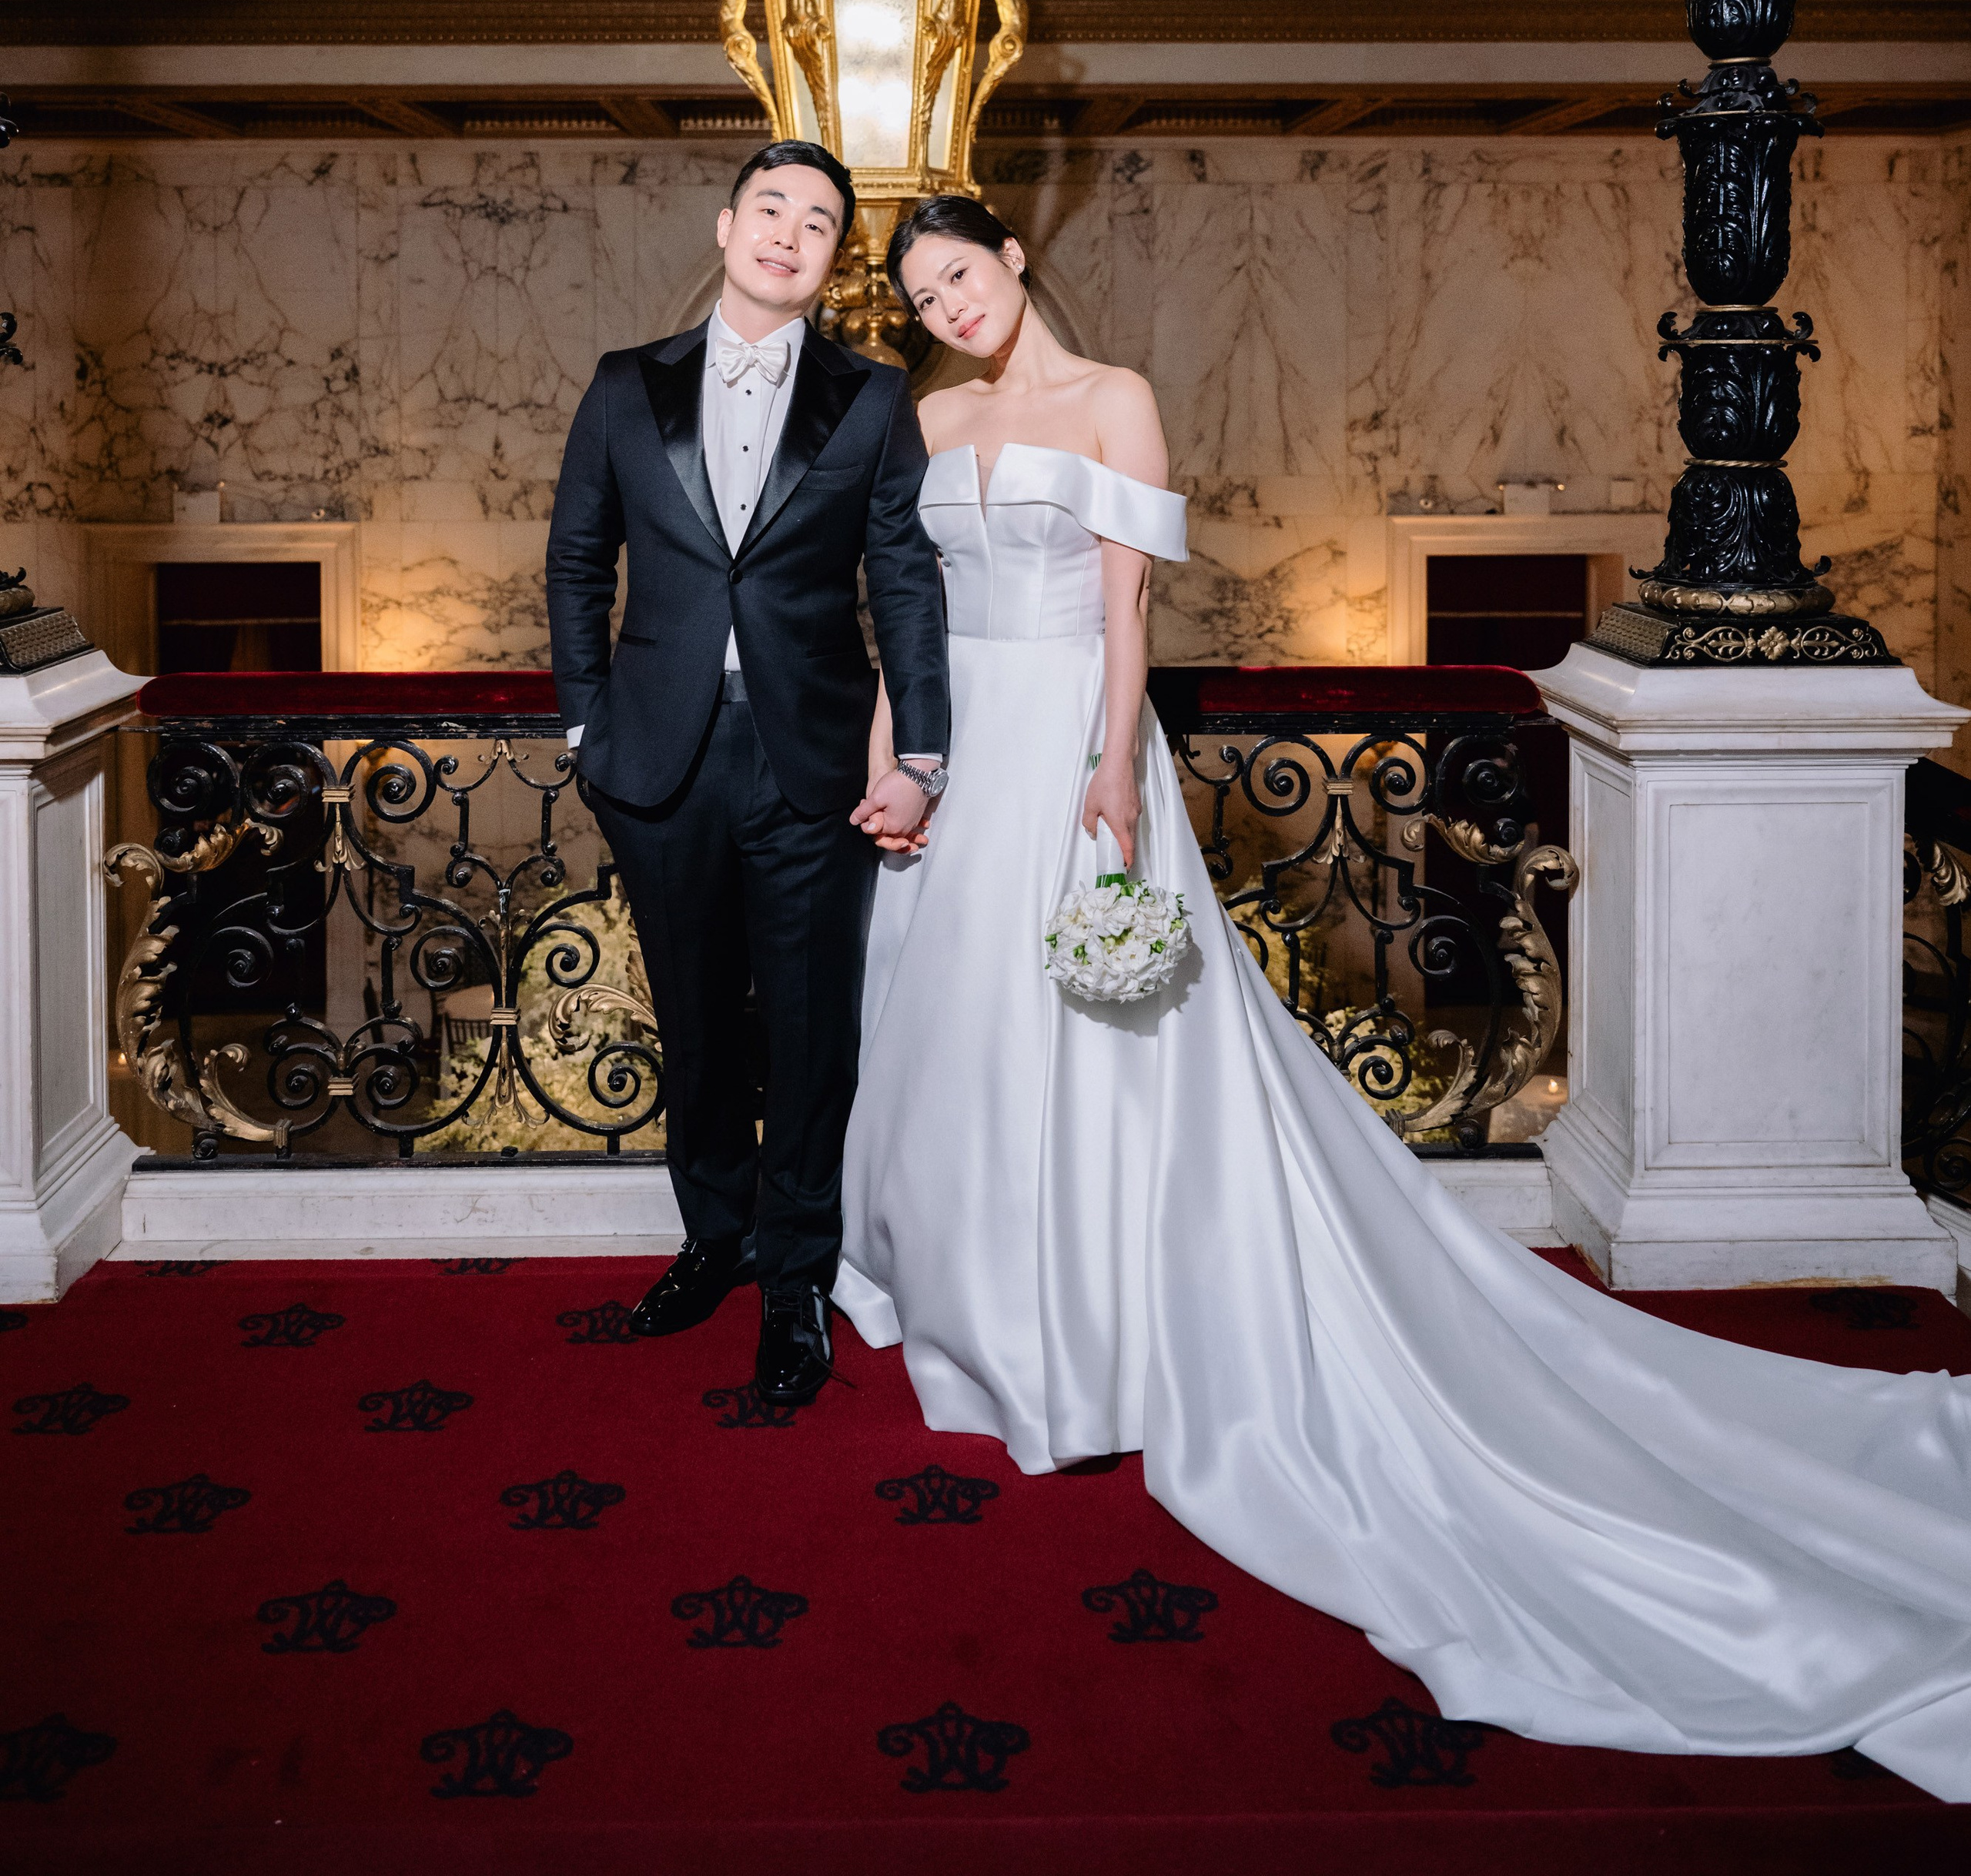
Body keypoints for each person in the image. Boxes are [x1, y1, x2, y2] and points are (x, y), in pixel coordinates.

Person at [836, 190, 1971, 1805]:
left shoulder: (1115, 399)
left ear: (1015, 258)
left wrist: (1108, 771)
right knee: (956, 1039)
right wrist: (895, 749)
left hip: (1072, 751)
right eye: (921, 290)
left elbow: (1125, 606)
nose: (946, 303)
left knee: (1094, 1039)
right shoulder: (932, 413)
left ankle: (1084, 1333)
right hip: (962, 739)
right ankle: (976, 1304)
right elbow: (904, 599)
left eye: (961, 271)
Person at [546, 142, 949, 1408]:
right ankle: (711, 1236)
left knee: (814, 1030)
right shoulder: (625, 385)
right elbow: (573, 563)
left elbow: (904, 582)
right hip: (657, 759)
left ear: (834, 263)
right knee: (700, 1019)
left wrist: (922, 753)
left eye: (819, 221)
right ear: (726, 228)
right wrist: (587, 733)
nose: (789, 232)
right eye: (770, 207)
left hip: (813, 761)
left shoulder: (873, 399)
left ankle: (793, 1284)